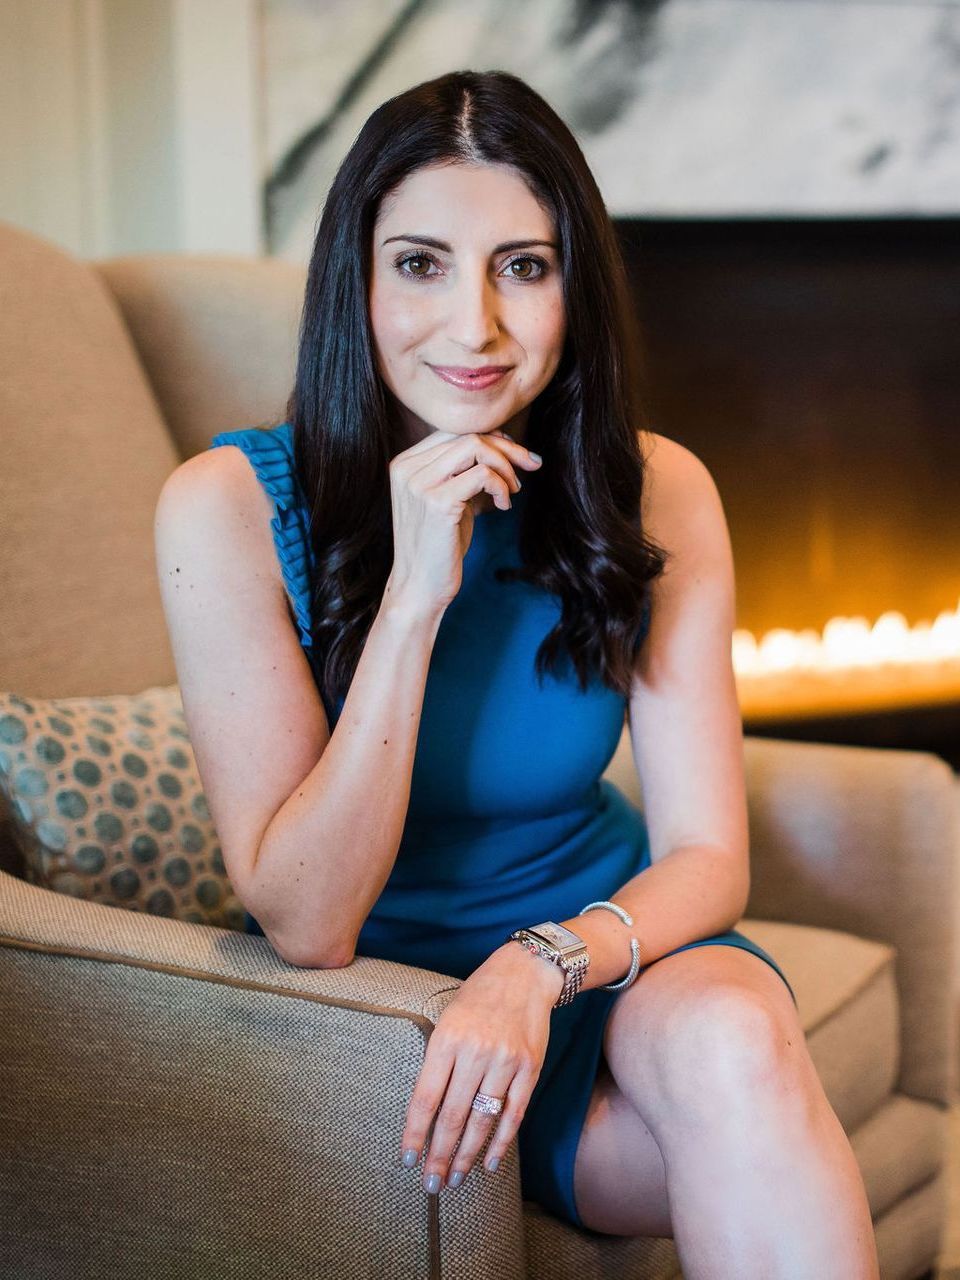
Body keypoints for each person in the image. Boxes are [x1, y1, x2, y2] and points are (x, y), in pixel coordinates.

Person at [154, 69, 879, 1276]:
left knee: (738, 1036)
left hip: (594, 953)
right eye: (423, 264)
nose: (475, 327)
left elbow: (707, 854)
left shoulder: (657, 487)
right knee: (762, 1127)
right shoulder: (225, 508)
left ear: (574, 288)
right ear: (359, 280)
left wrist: (538, 966)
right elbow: (307, 920)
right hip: (380, 1007)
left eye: (525, 267)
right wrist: (413, 599)